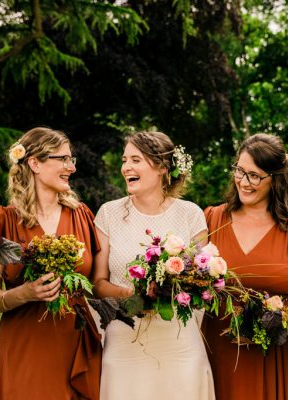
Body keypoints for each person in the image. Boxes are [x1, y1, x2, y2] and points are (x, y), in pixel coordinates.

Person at [0, 127, 102, 400]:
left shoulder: (82, 216)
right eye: (63, 159)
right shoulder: (3, 221)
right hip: (26, 342)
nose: (71, 167)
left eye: (72, 160)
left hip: (77, 342)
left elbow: (100, 283)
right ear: (34, 163)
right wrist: (24, 293)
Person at [202, 133, 288, 400]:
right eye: (239, 170)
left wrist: (277, 325)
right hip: (222, 348)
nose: (243, 182)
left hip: (280, 351)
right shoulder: (212, 219)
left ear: (275, 179)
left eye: (254, 176)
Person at [92, 131, 215, 400]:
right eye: (125, 160)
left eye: (136, 160)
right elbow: (98, 284)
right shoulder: (108, 214)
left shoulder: (191, 214)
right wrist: (134, 296)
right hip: (125, 339)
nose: (126, 168)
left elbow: (201, 282)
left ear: (161, 167)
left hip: (179, 341)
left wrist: (174, 287)